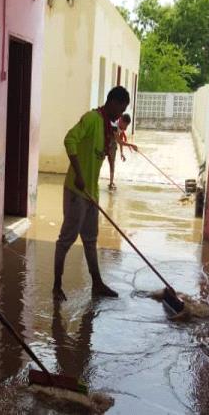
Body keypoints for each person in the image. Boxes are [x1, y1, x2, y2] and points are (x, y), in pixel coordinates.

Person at [53, 87, 130, 302]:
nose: (120, 114)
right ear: (112, 102)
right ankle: (56, 286)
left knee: (90, 239)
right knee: (66, 240)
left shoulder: (108, 126)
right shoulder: (91, 119)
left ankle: (97, 283)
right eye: (120, 109)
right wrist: (78, 173)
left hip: (91, 192)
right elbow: (69, 140)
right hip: (77, 190)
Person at [107, 113, 138, 190]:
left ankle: (111, 183)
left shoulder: (121, 128)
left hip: (112, 144)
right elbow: (119, 141)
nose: (126, 128)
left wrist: (121, 153)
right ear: (121, 121)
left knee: (112, 164)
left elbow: (120, 141)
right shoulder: (114, 126)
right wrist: (131, 145)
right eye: (126, 125)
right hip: (105, 141)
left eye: (127, 126)